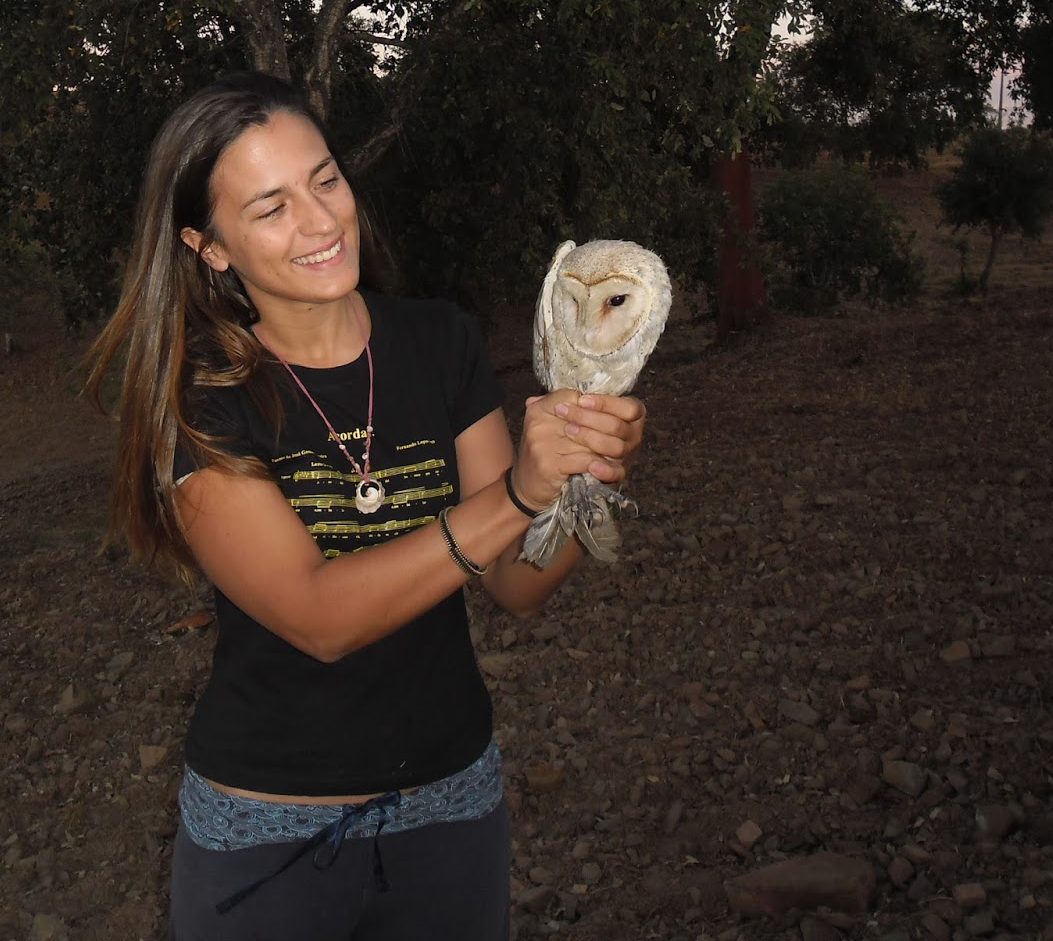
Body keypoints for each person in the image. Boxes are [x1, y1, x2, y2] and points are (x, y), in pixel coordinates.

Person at [86, 72, 648, 940]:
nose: (320, 221)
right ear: (210, 247)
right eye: (271, 207)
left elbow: (517, 582)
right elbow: (320, 618)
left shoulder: (439, 340)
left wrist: (586, 470)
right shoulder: (200, 402)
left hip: (453, 803)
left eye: (325, 180)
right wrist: (519, 493)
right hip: (268, 832)